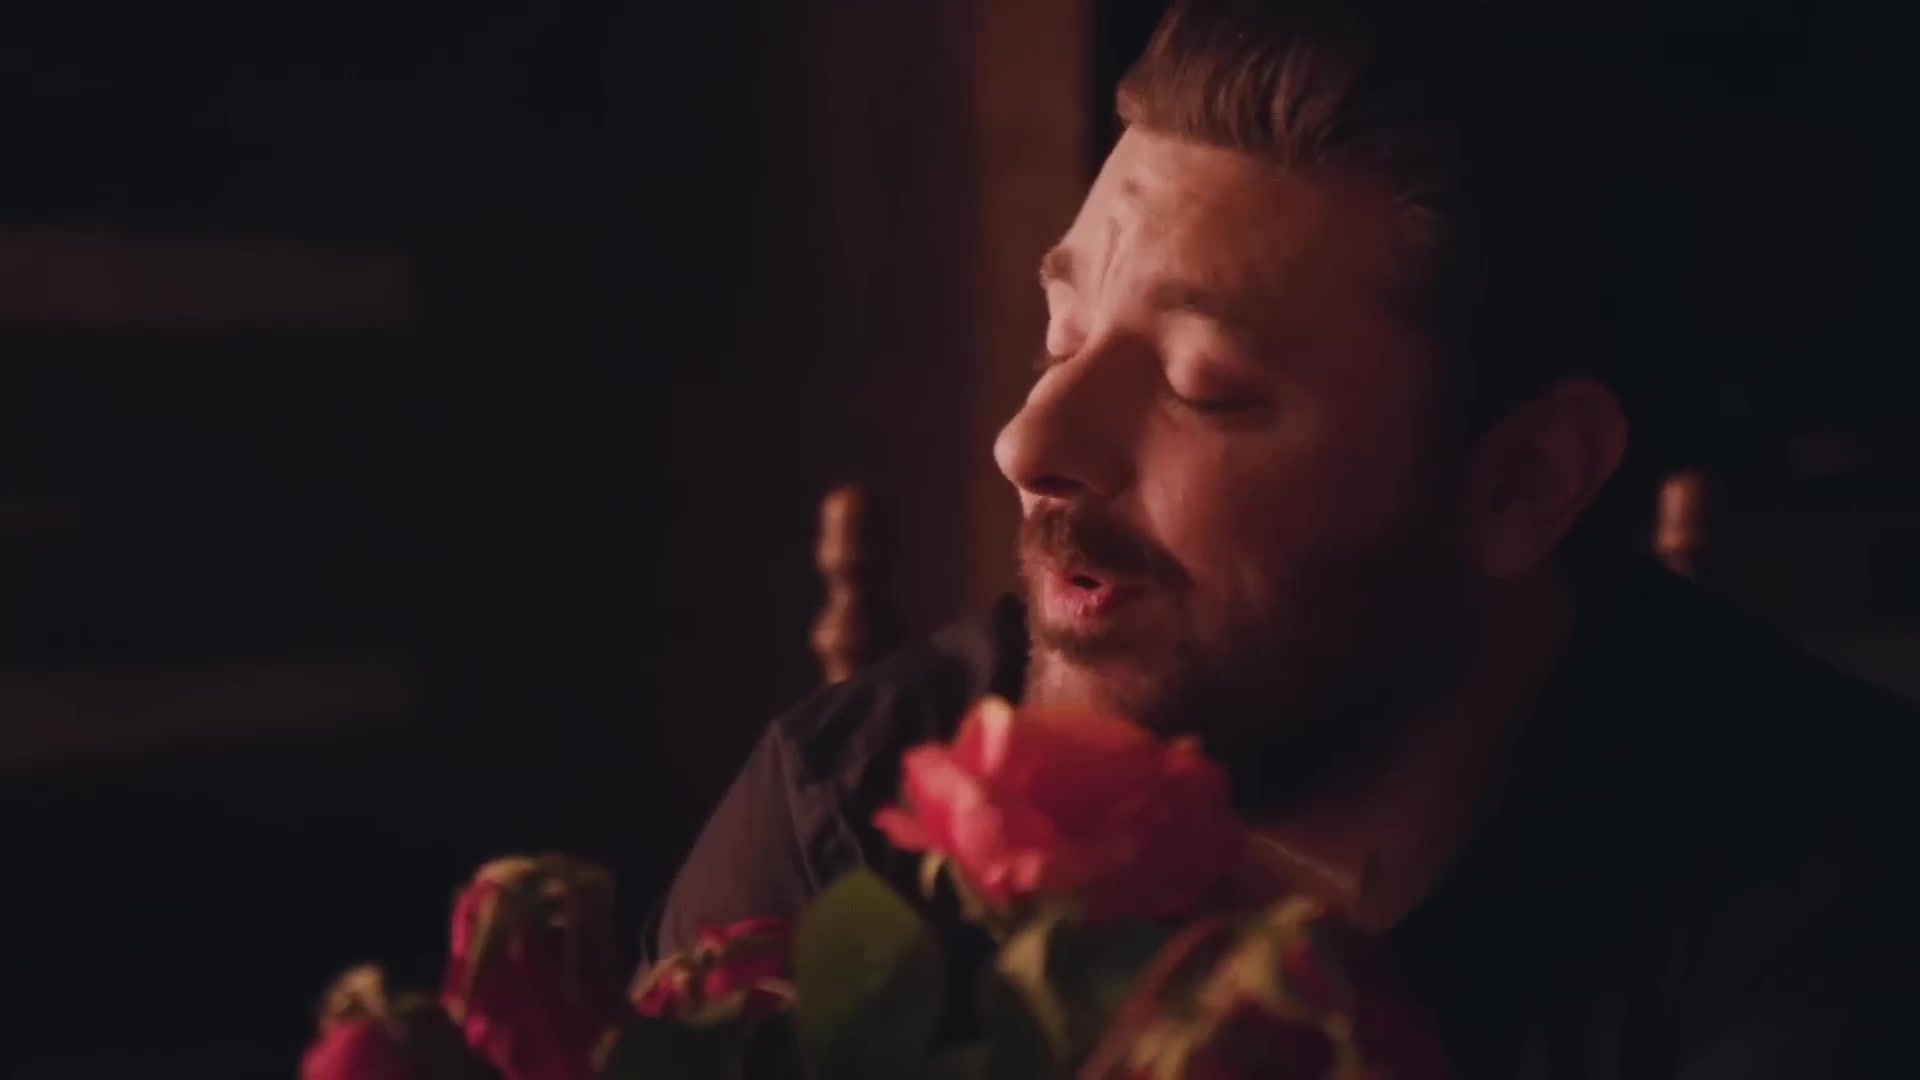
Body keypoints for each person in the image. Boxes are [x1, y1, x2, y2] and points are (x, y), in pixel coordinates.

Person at [646, 1, 1918, 1075]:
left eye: (1202, 387)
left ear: (1523, 483)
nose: (1026, 446)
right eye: (1062, 335)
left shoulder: (1831, 900)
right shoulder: (847, 829)